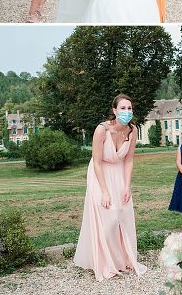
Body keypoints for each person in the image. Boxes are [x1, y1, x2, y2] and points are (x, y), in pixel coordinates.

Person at [74, 94, 147, 281]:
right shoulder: (101, 130)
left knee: (122, 215)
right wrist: (104, 191)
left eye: (129, 108)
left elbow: (129, 160)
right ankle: (105, 262)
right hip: (100, 174)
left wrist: (127, 186)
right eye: (123, 108)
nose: (127, 111)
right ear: (114, 110)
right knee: (108, 218)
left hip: (119, 173)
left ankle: (122, 260)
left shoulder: (132, 130)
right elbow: (97, 162)